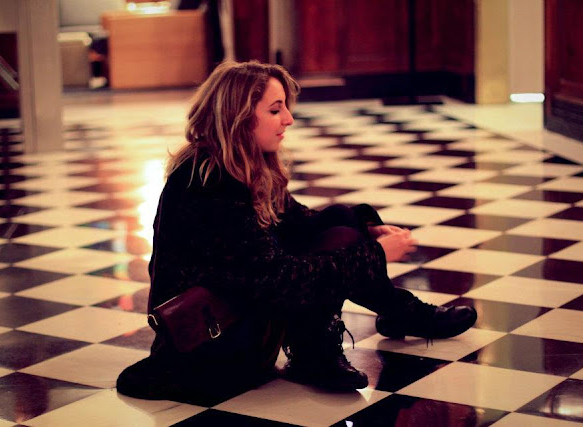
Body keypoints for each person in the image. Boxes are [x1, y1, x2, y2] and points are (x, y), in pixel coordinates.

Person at [117, 60, 477, 400]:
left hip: (245, 320)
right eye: (275, 110)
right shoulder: (208, 185)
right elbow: (277, 280)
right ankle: (340, 341)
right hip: (215, 349)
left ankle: (364, 329)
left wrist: (367, 231)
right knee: (333, 251)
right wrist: (373, 255)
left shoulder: (241, 166)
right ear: (238, 117)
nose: (288, 119)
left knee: (343, 220)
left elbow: (299, 222)